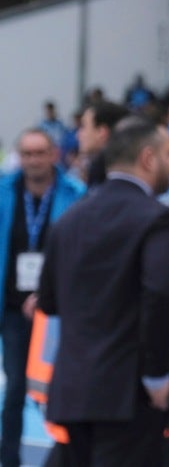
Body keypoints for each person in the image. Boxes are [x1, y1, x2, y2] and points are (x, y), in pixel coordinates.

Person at [37, 116, 169, 466]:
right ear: (148, 158)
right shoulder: (156, 218)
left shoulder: (68, 220)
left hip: (73, 389)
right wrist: (157, 375)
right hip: (128, 392)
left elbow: (49, 302)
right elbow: (160, 294)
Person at [0, 128, 86, 467]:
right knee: (16, 386)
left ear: (54, 154)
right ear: (19, 157)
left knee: (61, 387)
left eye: (40, 153)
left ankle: (67, 457)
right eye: (27, 154)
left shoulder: (75, 194)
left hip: (57, 310)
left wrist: (51, 292)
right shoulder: (5, 192)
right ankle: (8, 459)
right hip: (11, 309)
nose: (33, 160)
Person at [76, 100, 131, 187]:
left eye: (83, 126)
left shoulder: (113, 180)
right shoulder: (96, 172)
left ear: (102, 133)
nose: (78, 135)